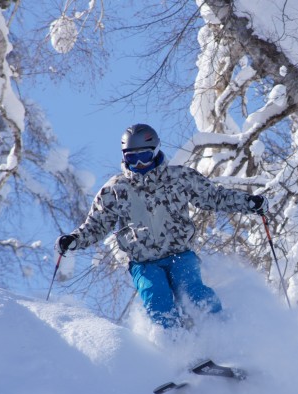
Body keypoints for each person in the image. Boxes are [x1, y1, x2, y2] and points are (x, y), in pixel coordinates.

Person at [55, 123, 268, 328]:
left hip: (180, 254)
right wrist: (74, 239)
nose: (139, 165)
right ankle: (180, 352)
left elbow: (213, 197)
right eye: (132, 158)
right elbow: (97, 225)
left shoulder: (179, 178)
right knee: (157, 299)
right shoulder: (116, 189)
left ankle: (223, 337)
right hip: (145, 263)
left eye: (144, 157)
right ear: (124, 158)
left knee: (194, 293)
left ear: (155, 152)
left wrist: (248, 203)